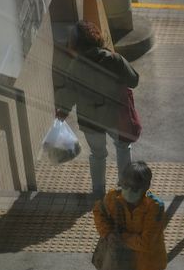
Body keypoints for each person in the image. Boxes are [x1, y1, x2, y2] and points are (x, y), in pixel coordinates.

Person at [54, 20, 140, 200]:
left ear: (75, 44)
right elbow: (134, 80)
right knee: (123, 147)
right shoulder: (114, 59)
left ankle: (98, 192)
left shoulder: (75, 66)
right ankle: (125, 190)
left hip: (90, 119)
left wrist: (61, 114)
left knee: (97, 154)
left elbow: (67, 96)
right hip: (116, 116)